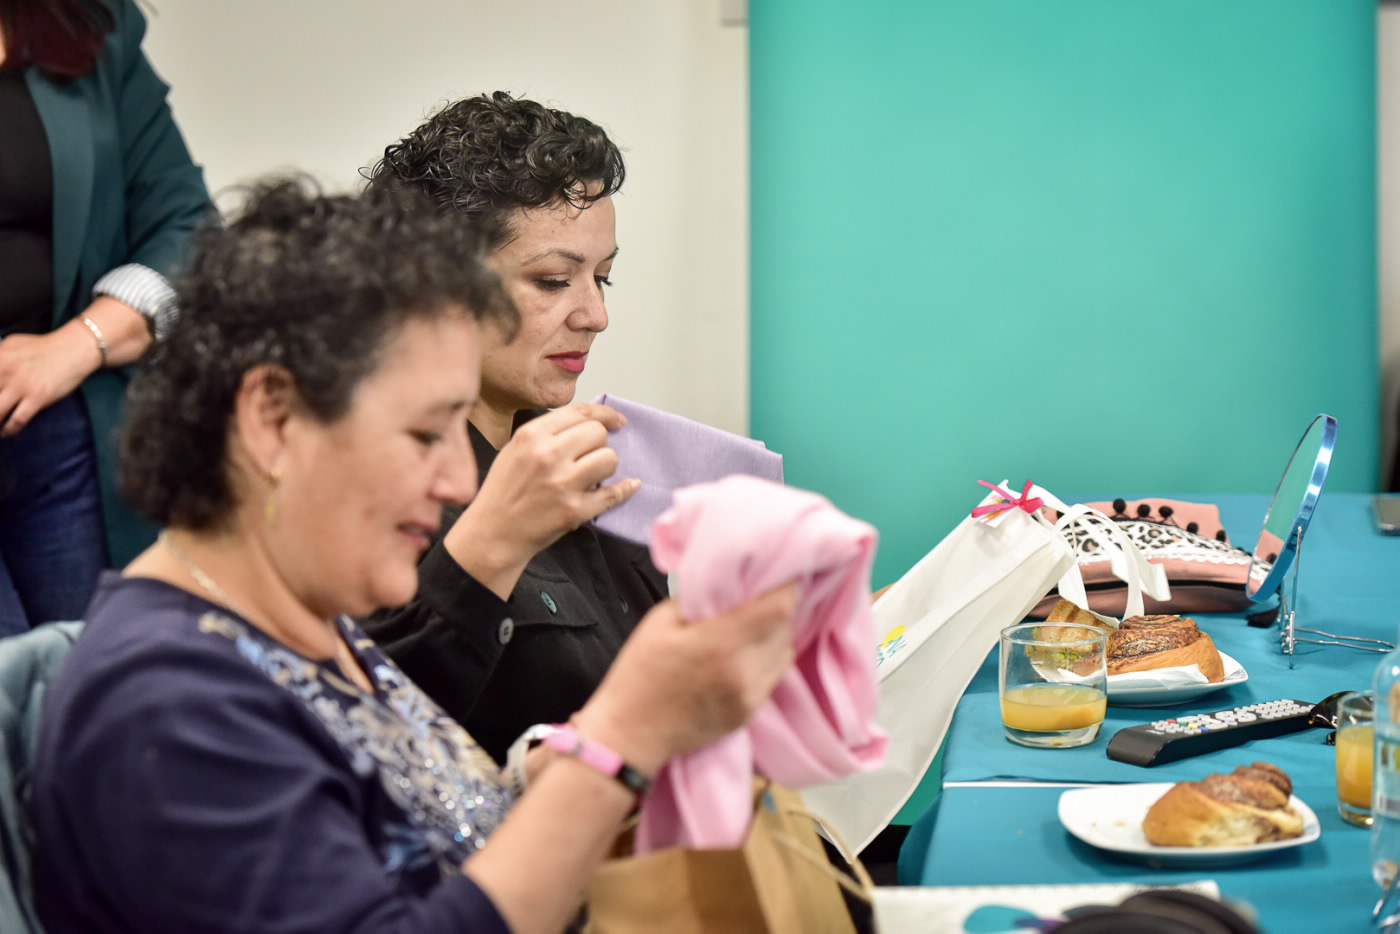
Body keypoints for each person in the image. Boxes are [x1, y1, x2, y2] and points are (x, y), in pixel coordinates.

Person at [29, 178, 797, 934]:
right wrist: (616, 745)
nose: (460, 479)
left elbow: (422, 833)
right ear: (274, 420)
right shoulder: (167, 702)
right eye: (427, 434)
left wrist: (542, 771)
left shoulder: (308, 632)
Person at [363, 92, 666, 763]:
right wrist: (488, 550)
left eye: (603, 279)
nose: (595, 315)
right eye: (553, 280)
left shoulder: (602, 464)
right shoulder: (365, 494)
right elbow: (368, 742)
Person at [0, 0, 209, 635]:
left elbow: (188, 224)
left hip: (65, 435)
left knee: (103, 667)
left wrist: (79, 342)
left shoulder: (86, 21)